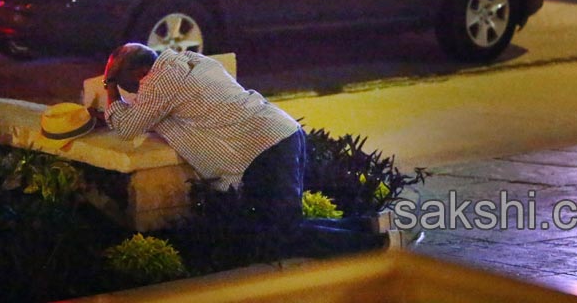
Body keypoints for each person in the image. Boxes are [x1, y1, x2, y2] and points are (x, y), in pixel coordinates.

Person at [102, 43, 384, 254]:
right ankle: (371, 227)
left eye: (130, 85)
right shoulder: (187, 60)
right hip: (278, 136)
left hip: (263, 148)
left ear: (141, 72)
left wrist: (109, 86)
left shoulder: (160, 81)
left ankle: (377, 247)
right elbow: (162, 111)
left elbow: (127, 127)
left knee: (282, 234)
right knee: (286, 224)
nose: (135, 93)